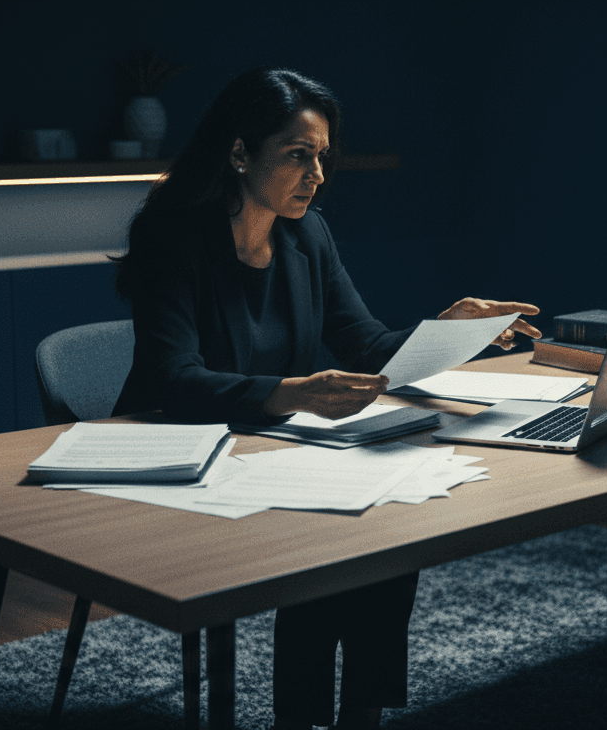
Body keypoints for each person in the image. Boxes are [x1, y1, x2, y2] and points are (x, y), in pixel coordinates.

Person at [109, 66, 541, 730]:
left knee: (386, 512)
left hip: (261, 449)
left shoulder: (307, 235)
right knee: (325, 529)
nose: (317, 174)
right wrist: (292, 394)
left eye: (322, 157)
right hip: (174, 455)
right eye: (298, 155)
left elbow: (364, 345)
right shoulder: (175, 235)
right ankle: (297, 720)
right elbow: (173, 379)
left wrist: (449, 330)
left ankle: (359, 714)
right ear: (238, 152)